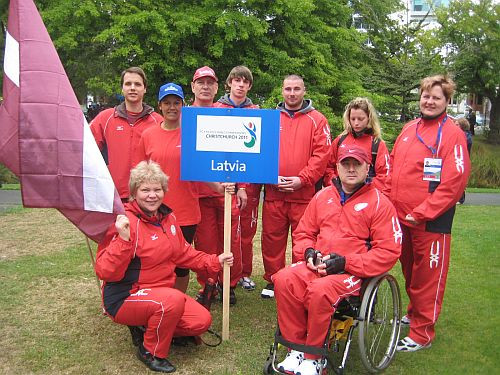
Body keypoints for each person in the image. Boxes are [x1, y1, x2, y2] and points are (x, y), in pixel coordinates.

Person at [94, 161, 234, 373]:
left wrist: (215, 261)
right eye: (145, 190)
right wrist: (123, 241)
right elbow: (105, 271)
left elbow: (184, 254)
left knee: (201, 321)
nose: (152, 195)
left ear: (164, 191)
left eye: (157, 189)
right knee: (172, 299)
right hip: (125, 297)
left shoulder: (168, 219)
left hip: (161, 294)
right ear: (133, 193)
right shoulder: (124, 222)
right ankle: (150, 351)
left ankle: (149, 326)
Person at [273, 145, 402, 375]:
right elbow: (304, 233)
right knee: (284, 279)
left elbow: (388, 251)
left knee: (319, 290)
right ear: (337, 167)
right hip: (318, 264)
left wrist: (346, 263)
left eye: (357, 164)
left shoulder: (380, 204)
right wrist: (308, 253)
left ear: (367, 168)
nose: (351, 169)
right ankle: (295, 349)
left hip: (351, 273)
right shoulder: (322, 196)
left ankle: (314, 357)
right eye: (346, 164)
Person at [385, 75, 470, 352]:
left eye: (436, 97)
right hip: (402, 218)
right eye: (425, 96)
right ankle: (413, 312)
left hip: (431, 221)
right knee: (410, 272)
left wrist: (422, 212)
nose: (429, 101)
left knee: (428, 278)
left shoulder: (453, 134)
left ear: (447, 101)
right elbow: (394, 167)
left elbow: (454, 182)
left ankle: (422, 333)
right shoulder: (410, 128)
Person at [134, 82, 232, 293]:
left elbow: (201, 168)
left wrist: (219, 187)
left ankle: (176, 303)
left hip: (185, 211)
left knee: (180, 263)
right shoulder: (148, 135)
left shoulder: (193, 133)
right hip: (154, 210)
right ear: (159, 106)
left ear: (183, 105)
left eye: (176, 103)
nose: (172, 107)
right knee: (154, 260)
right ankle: (156, 301)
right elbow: (140, 174)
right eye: (167, 103)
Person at [260, 74, 332, 299]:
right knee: (272, 239)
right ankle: (273, 279)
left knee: (303, 239)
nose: (292, 93)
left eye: (296, 89)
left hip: (304, 194)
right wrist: (269, 175)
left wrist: (303, 179)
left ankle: (300, 277)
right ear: (282, 91)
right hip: (274, 191)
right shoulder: (271, 118)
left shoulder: (317, 119)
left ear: (304, 90)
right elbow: (260, 150)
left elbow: (322, 155)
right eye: (288, 89)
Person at [190, 66, 244, 305]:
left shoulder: (226, 114)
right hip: (198, 194)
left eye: (210, 82)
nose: (205, 86)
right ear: (193, 86)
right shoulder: (186, 116)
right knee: (205, 244)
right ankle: (208, 284)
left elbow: (240, 154)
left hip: (226, 192)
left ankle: (228, 284)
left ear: (216, 87)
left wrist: (241, 185)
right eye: (200, 82)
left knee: (230, 240)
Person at [214, 65, 260, 291]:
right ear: (229, 83)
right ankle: (222, 274)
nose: (240, 85)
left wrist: (246, 183)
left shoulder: (256, 111)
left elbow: (259, 152)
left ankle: (244, 273)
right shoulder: (217, 108)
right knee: (226, 230)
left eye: (245, 82)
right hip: (224, 181)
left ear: (249, 86)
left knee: (247, 231)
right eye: (237, 80)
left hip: (249, 181)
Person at [90, 67, 163, 200]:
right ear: (122, 88)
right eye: (128, 84)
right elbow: (86, 150)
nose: (133, 88)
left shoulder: (157, 121)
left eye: (138, 84)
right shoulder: (106, 118)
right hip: (114, 196)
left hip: (148, 197)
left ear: (145, 89)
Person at [324, 97, 390, 191]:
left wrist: (364, 189)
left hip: (366, 194)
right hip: (339, 192)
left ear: (369, 118)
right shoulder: (339, 141)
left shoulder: (376, 144)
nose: (356, 123)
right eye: (353, 119)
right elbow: (328, 167)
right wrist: (335, 185)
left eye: (360, 119)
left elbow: (385, 176)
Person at [455, 117, 472, 205]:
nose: (455, 126)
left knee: (461, 178)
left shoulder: (466, 136)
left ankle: (461, 199)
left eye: (457, 124)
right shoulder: (461, 134)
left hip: (463, 160)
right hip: (458, 158)